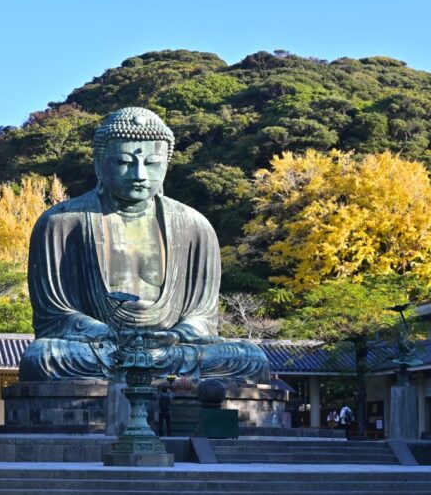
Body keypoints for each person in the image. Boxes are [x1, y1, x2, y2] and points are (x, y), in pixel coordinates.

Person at [19, 107, 268, 383]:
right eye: (124, 162)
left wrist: (176, 335)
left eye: (152, 163)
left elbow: (203, 317)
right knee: (42, 356)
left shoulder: (195, 226)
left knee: (250, 358)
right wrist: (105, 333)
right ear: (99, 163)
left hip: (171, 350)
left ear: (166, 165)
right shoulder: (62, 222)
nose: (139, 174)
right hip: (101, 347)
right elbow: (55, 316)